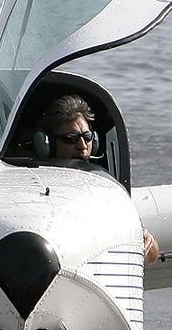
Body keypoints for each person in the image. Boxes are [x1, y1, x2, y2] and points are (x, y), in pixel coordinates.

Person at [37, 94, 161, 266]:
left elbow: (152, 256)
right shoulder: (38, 187)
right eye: (71, 139)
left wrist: (146, 240)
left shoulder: (102, 189)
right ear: (47, 144)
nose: (82, 146)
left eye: (87, 137)